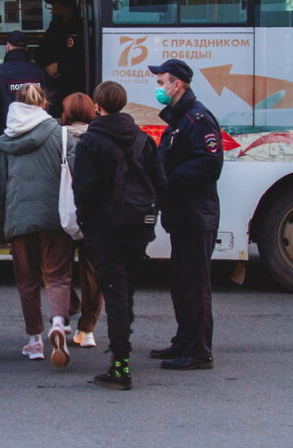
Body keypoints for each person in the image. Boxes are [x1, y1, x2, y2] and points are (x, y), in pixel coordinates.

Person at [73, 81, 167, 390]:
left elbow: (84, 191)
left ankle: (120, 365)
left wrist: (87, 224)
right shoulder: (143, 139)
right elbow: (160, 182)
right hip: (139, 227)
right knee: (125, 290)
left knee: (113, 291)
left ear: (97, 106)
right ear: (124, 104)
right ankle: (121, 349)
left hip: (104, 229)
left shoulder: (91, 142)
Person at [0, 83, 77, 368]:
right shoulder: (61, 135)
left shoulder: (6, 139)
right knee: (58, 276)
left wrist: (1, 227)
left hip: (18, 218)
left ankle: (34, 341)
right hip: (55, 217)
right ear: (43, 105)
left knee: (26, 282)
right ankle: (57, 323)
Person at [148, 59, 223, 371]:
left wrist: (171, 177)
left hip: (196, 214)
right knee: (181, 283)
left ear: (176, 84)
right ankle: (184, 339)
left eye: (161, 82)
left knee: (196, 285)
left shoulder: (198, 119)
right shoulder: (180, 119)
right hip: (182, 213)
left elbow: (209, 164)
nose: (159, 88)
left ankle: (199, 351)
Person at [61, 92, 103, 349]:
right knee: (92, 273)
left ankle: (69, 305)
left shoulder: (56, 138)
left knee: (57, 269)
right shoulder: (100, 138)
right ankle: (87, 329)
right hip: (94, 215)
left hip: (63, 213)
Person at [0, 30, 48, 138]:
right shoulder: (40, 73)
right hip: (38, 134)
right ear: (26, 48)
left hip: (8, 135)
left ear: (7, 46)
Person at [35, 0, 86, 115]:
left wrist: (60, 67)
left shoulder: (80, 26)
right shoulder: (55, 25)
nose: (53, 11)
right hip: (53, 80)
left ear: (68, 8)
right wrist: (46, 66)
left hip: (73, 81)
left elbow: (83, 56)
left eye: (56, 8)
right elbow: (43, 49)